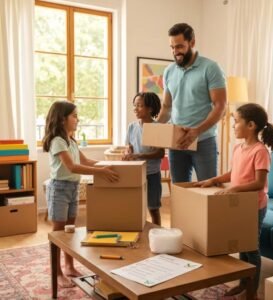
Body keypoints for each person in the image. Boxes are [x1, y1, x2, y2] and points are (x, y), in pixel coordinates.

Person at [194, 103, 273, 298]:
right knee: (242, 245)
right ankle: (243, 283)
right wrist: (214, 180)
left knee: (251, 247)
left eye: (236, 121)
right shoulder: (238, 148)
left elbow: (259, 183)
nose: (233, 125)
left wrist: (234, 189)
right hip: (239, 204)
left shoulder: (260, 151)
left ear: (250, 125)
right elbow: (233, 173)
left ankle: (252, 292)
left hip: (254, 206)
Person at [42, 100, 118, 288]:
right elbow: (73, 166)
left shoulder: (72, 141)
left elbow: (85, 160)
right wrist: (101, 172)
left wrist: (105, 165)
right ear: (62, 119)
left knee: (70, 230)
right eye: (74, 115)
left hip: (72, 188)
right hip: (59, 189)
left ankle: (69, 266)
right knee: (58, 233)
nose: (78, 119)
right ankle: (57, 272)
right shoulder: (57, 141)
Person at [157, 23, 227, 183]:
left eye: (180, 46)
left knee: (208, 190)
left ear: (192, 42)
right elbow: (167, 107)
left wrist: (197, 131)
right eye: (172, 47)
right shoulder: (169, 71)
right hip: (177, 142)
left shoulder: (211, 68)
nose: (175, 52)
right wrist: (154, 128)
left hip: (204, 141)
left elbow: (220, 106)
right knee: (179, 190)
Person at [123, 92, 165, 226]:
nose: (135, 109)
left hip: (152, 174)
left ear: (150, 109)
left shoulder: (157, 128)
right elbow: (128, 146)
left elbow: (160, 153)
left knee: (153, 208)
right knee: (135, 208)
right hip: (136, 173)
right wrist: (128, 151)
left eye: (139, 106)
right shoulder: (132, 127)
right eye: (134, 105)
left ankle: (157, 233)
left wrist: (138, 155)